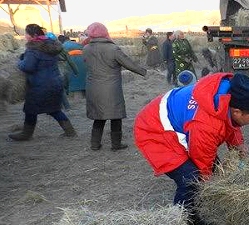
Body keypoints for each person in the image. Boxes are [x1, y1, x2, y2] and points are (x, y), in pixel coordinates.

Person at [133, 72, 249, 225]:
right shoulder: (206, 123)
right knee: (192, 180)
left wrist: (238, 145)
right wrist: (208, 184)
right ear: (238, 111)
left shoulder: (225, 98)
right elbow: (202, 160)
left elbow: (229, 124)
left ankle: (202, 217)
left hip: (180, 124)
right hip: (156, 131)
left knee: (211, 173)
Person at [83, 22, 147, 151]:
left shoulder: (86, 48)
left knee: (98, 116)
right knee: (115, 116)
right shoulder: (113, 49)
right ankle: (116, 144)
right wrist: (143, 72)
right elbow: (128, 63)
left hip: (93, 87)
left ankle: (95, 144)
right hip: (110, 89)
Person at [8, 23, 77, 141]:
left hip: (39, 86)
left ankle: (26, 134)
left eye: (26, 34)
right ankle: (70, 131)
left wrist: (20, 62)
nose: (25, 36)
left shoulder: (33, 49)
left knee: (30, 109)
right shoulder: (51, 45)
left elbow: (28, 67)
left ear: (33, 35)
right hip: (55, 83)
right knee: (54, 109)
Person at [47, 32, 78, 110]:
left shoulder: (44, 50)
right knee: (62, 88)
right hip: (63, 69)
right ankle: (66, 107)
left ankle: (59, 107)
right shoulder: (62, 48)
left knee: (57, 90)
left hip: (52, 71)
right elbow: (70, 61)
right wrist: (76, 71)